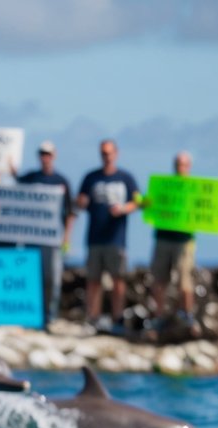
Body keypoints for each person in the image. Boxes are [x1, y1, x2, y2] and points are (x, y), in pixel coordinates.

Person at [76, 139, 140, 334]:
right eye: (103, 153)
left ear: (116, 153)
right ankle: (92, 318)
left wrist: (123, 209)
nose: (106, 156)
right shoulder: (91, 177)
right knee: (93, 280)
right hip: (95, 238)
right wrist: (81, 201)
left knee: (118, 280)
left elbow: (138, 201)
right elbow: (80, 202)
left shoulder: (126, 178)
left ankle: (118, 318)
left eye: (109, 152)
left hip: (116, 239)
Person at [16, 140, 75, 325]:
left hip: (53, 239)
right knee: (33, 276)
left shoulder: (61, 181)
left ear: (54, 155)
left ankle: (51, 315)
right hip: (32, 238)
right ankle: (33, 313)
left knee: (53, 279)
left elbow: (70, 212)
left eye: (48, 154)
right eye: (42, 153)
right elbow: (13, 188)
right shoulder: (31, 177)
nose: (45, 157)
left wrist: (67, 237)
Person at [146, 151, 203, 338]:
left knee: (185, 280)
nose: (181, 167)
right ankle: (158, 317)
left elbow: (207, 209)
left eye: (184, 164)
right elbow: (151, 205)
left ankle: (186, 315)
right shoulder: (163, 187)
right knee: (159, 279)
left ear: (190, 166)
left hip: (184, 240)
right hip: (163, 237)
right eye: (178, 164)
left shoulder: (197, 189)